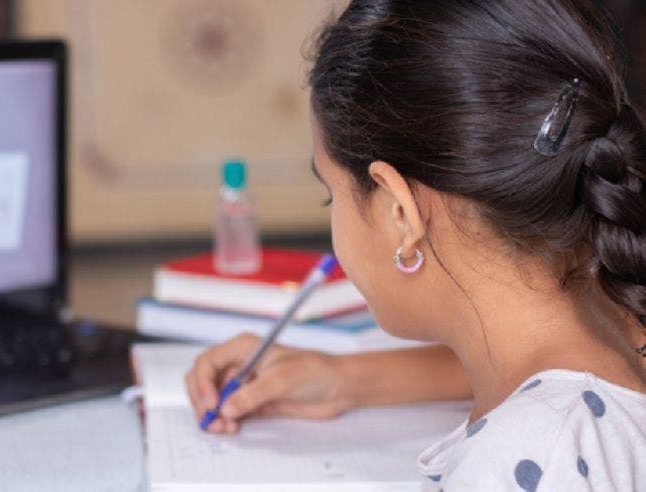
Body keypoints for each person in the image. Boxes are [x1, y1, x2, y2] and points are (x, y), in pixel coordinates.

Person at [185, 1, 646, 489]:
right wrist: (346, 379)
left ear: (398, 212)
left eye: (331, 195)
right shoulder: (623, 315)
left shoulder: (525, 458)